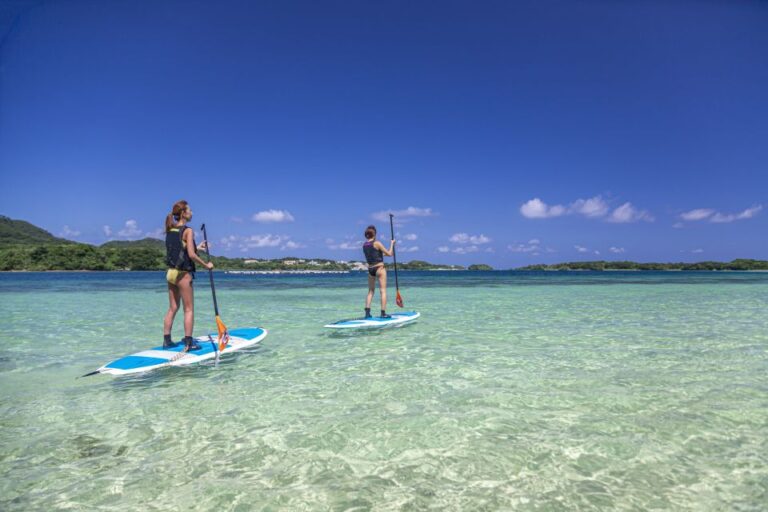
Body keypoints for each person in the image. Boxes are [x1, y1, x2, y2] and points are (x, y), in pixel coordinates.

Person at [162, 200, 213, 351]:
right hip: (183, 274)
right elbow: (190, 255)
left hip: (171, 273)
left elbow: (182, 250)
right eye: (190, 210)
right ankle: (189, 343)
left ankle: (167, 341)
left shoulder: (170, 229)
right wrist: (206, 265)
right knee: (189, 309)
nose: (192, 213)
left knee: (173, 308)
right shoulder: (188, 230)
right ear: (183, 213)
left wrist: (198, 247)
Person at [362, 225, 395, 318]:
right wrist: (392, 243)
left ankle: (367, 313)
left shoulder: (364, 245)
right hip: (380, 268)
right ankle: (383, 313)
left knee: (370, 291)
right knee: (383, 291)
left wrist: (382, 253)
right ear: (374, 234)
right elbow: (390, 253)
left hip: (370, 269)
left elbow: (375, 254)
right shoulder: (377, 243)